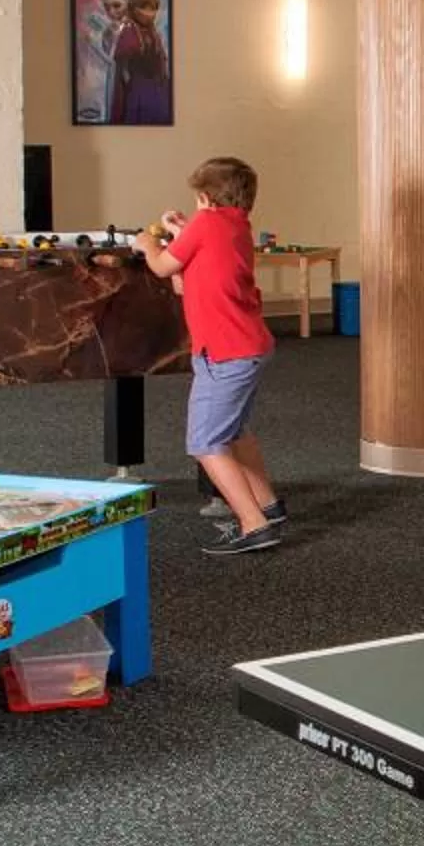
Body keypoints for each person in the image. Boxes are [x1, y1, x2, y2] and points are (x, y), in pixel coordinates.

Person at [136, 156, 283, 556]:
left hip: (226, 353)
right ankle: (268, 504)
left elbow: (164, 267)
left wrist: (148, 244)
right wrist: (182, 232)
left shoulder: (206, 224)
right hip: (249, 347)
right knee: (234, 432)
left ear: (204, 197)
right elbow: (188, 281)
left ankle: (254, 525)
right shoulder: (235, 226)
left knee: (205, 442)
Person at [109, 0, 172, 126]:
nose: (149, 13)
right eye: (145, 8)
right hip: (136, 86)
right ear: (134, 9)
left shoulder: (153, 31)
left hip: (157, 84)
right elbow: (122, 60)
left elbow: (161, 57)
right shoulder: (128, 29)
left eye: (152, 9)